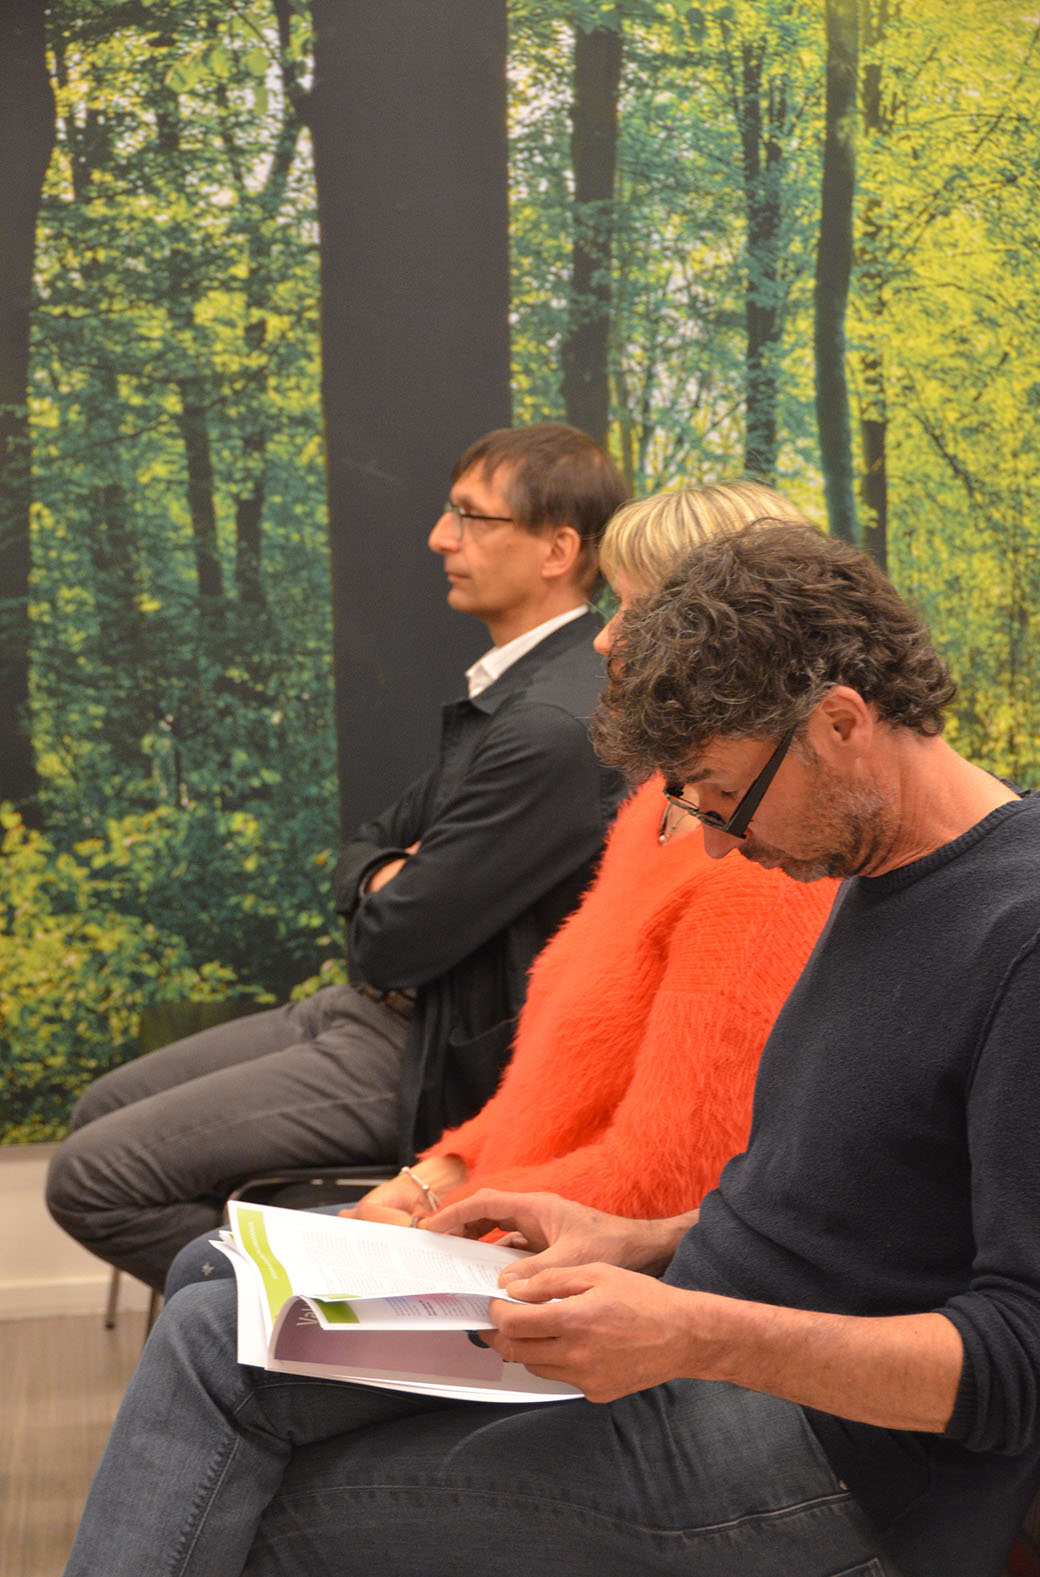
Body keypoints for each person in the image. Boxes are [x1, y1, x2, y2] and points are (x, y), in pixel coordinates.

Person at [63, 521, 1040, 1577]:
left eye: (724, 795)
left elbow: (1023, 1361)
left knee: (251, 1506)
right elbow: (854, 1211)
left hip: (846, 1467)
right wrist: (642, 1240)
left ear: (841, 721)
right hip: (712, 1342)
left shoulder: (1019, 935)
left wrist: (695, 1329)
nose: (718, 840)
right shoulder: (868, 859)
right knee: (220, 1328)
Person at [160, 482, 834, 1300]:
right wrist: (430, 1178)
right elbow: (542, 1098)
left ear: (725, 642)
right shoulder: (653, 812)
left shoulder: (758, 872)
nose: (603, 638)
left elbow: (669, 1179)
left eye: (632, 611)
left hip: (578, 1265)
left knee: (210, 1291)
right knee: (207, 1269)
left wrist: (448, 1220)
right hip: (500, 1210)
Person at [46, 422, 630, 1294]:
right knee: (101, 1109)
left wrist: (397, 876)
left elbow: (392, 938)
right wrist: (390, 869)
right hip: (372, 1007)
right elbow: (366, 843)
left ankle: (324, 1322)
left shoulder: (551, 722)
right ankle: (265, 1321)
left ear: (558, 549)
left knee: (93, 1178)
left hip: (425, 1042)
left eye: (471, 517)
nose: (440, 538)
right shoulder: (511, 691)